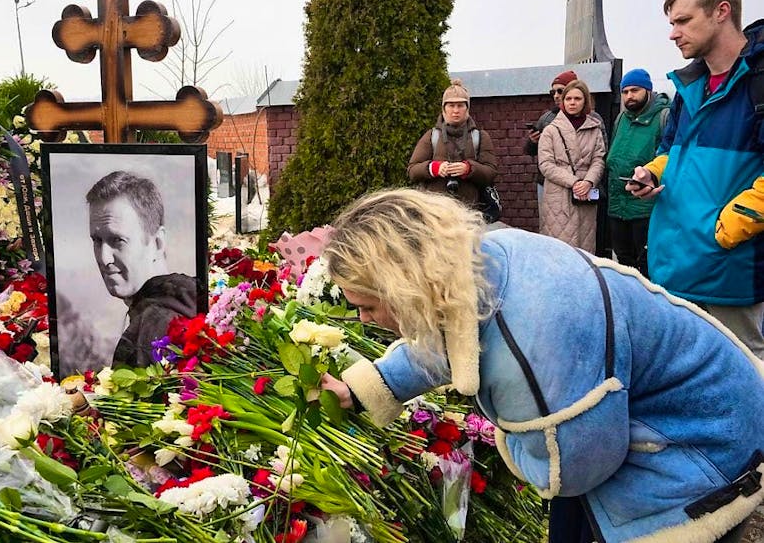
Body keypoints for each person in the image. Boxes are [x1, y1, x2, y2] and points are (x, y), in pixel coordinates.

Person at [319, 189, 764, 543]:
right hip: (685, 404)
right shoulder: (483, 258)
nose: (362, 319)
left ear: (405, 289)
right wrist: (369, 387)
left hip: (701, 451)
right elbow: (453, 329)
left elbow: (575, 467)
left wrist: (516, 444)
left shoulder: (532, 344)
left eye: (369, 305)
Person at [628, 0, 764, 358]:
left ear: (722, 11)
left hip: (727, 272)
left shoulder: (759, 83)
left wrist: (731, 225)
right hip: (673, 265)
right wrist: (652, 174)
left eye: (683, 20)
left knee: (744, 379)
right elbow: (670, 150)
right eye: (672, 23)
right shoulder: (688, 86)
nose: (673, 33)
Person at [86, 171, 197, 367]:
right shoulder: (182, 302)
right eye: (97, 241)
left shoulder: (154, 328)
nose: (104, 258)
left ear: (157, 242)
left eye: (118, 240)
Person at [606, 68, 671, 277]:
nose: (629, 96)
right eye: (625, 92)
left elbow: (669, 156)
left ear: (648, 91)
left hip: (645, 206)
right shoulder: (621, 119)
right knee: (623, 265)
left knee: (647, 266)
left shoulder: (664, 117)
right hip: (617, 205)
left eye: (635, 90)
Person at [407, 79, 500, 222]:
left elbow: (491, 172)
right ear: (444, 109)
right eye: (451, 105)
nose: (455, 110)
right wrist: (434, 168)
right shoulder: (431, 136)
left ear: (467, 108)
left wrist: (469, 169)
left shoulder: (480, 137)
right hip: (435, 214)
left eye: (460, 105)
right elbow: (412, 171)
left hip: (470, 212)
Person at [537, 79, 607, 253]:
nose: (572, 103)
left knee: (585, 249)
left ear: (585, 101)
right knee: (558, 249)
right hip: (558, 196)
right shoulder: (551, 130)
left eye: (577, 98)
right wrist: (574, 182)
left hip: (585, 195)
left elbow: (599, 159)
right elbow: (546, 164)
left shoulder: (594, 128)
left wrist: (589, 181)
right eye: (568, 99)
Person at [525, 70, 578, 219]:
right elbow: (530, 151)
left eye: (560, 91)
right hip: (547, 181)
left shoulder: (591, 119)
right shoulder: (547, 118)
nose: (556, 95)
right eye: (552, 92)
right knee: (549, 222)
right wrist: (533, 141)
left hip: (578, 182)